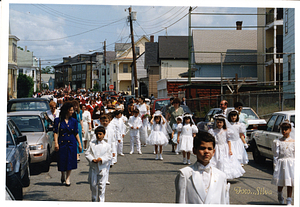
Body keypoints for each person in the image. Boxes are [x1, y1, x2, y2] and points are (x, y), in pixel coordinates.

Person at [175, 131, 230, 204]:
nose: (206, 151)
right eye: (202, 148)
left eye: (209, 149)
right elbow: (181, 201)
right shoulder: (185, 174)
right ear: (194, 151)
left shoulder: (221, 176)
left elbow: (224, 201)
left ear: (213, 152)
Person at [54, 101, 82, 186]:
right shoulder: (58, 121)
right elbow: (55, 132)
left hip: (71, 142)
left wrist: (79, 144)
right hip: (62, 142)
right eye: (71, 110)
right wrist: (56, 143)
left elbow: (76, 133)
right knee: (62, 159)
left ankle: (68, 178)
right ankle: (62, 173)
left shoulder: (73, 121)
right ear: (66, 110)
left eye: (72, 110)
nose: (72, 112)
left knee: (70, 160)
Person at [208, 114, 245, 179]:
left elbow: (229, 141)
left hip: (225, 148)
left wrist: (230, 150)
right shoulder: (213, 131)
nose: (219, 124)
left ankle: (224, 176)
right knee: (216, 160)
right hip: (217, 148)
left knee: (225, 161)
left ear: (223, 123)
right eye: (218, 122)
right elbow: (212, 141)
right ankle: (217, 175)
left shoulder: (226, 131)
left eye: (221, 122)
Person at [85, 126, 112, 202]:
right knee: (93, 185)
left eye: (100, 134)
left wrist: (102, 159)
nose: (98, 136)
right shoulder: (91, 144)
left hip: (102, 168)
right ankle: (93, 200)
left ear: (104, 134)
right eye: (97, 134)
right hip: (93, 168)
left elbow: (109, 156)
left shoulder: (107, 145)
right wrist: (92, 159)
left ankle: (101, 201)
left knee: (101, 187)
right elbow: (87, 153)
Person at [271, 120, 295, 205]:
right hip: (281, 163)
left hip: (291, 163)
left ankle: (289, 200)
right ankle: (280, 195)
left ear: (290, 130)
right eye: (283, 129)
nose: (284, 131)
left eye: (286, 129)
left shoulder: (294, 142)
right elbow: (276, 155)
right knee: (281, 182)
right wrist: (275, 165)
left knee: (290, 182)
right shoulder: (278, 142)